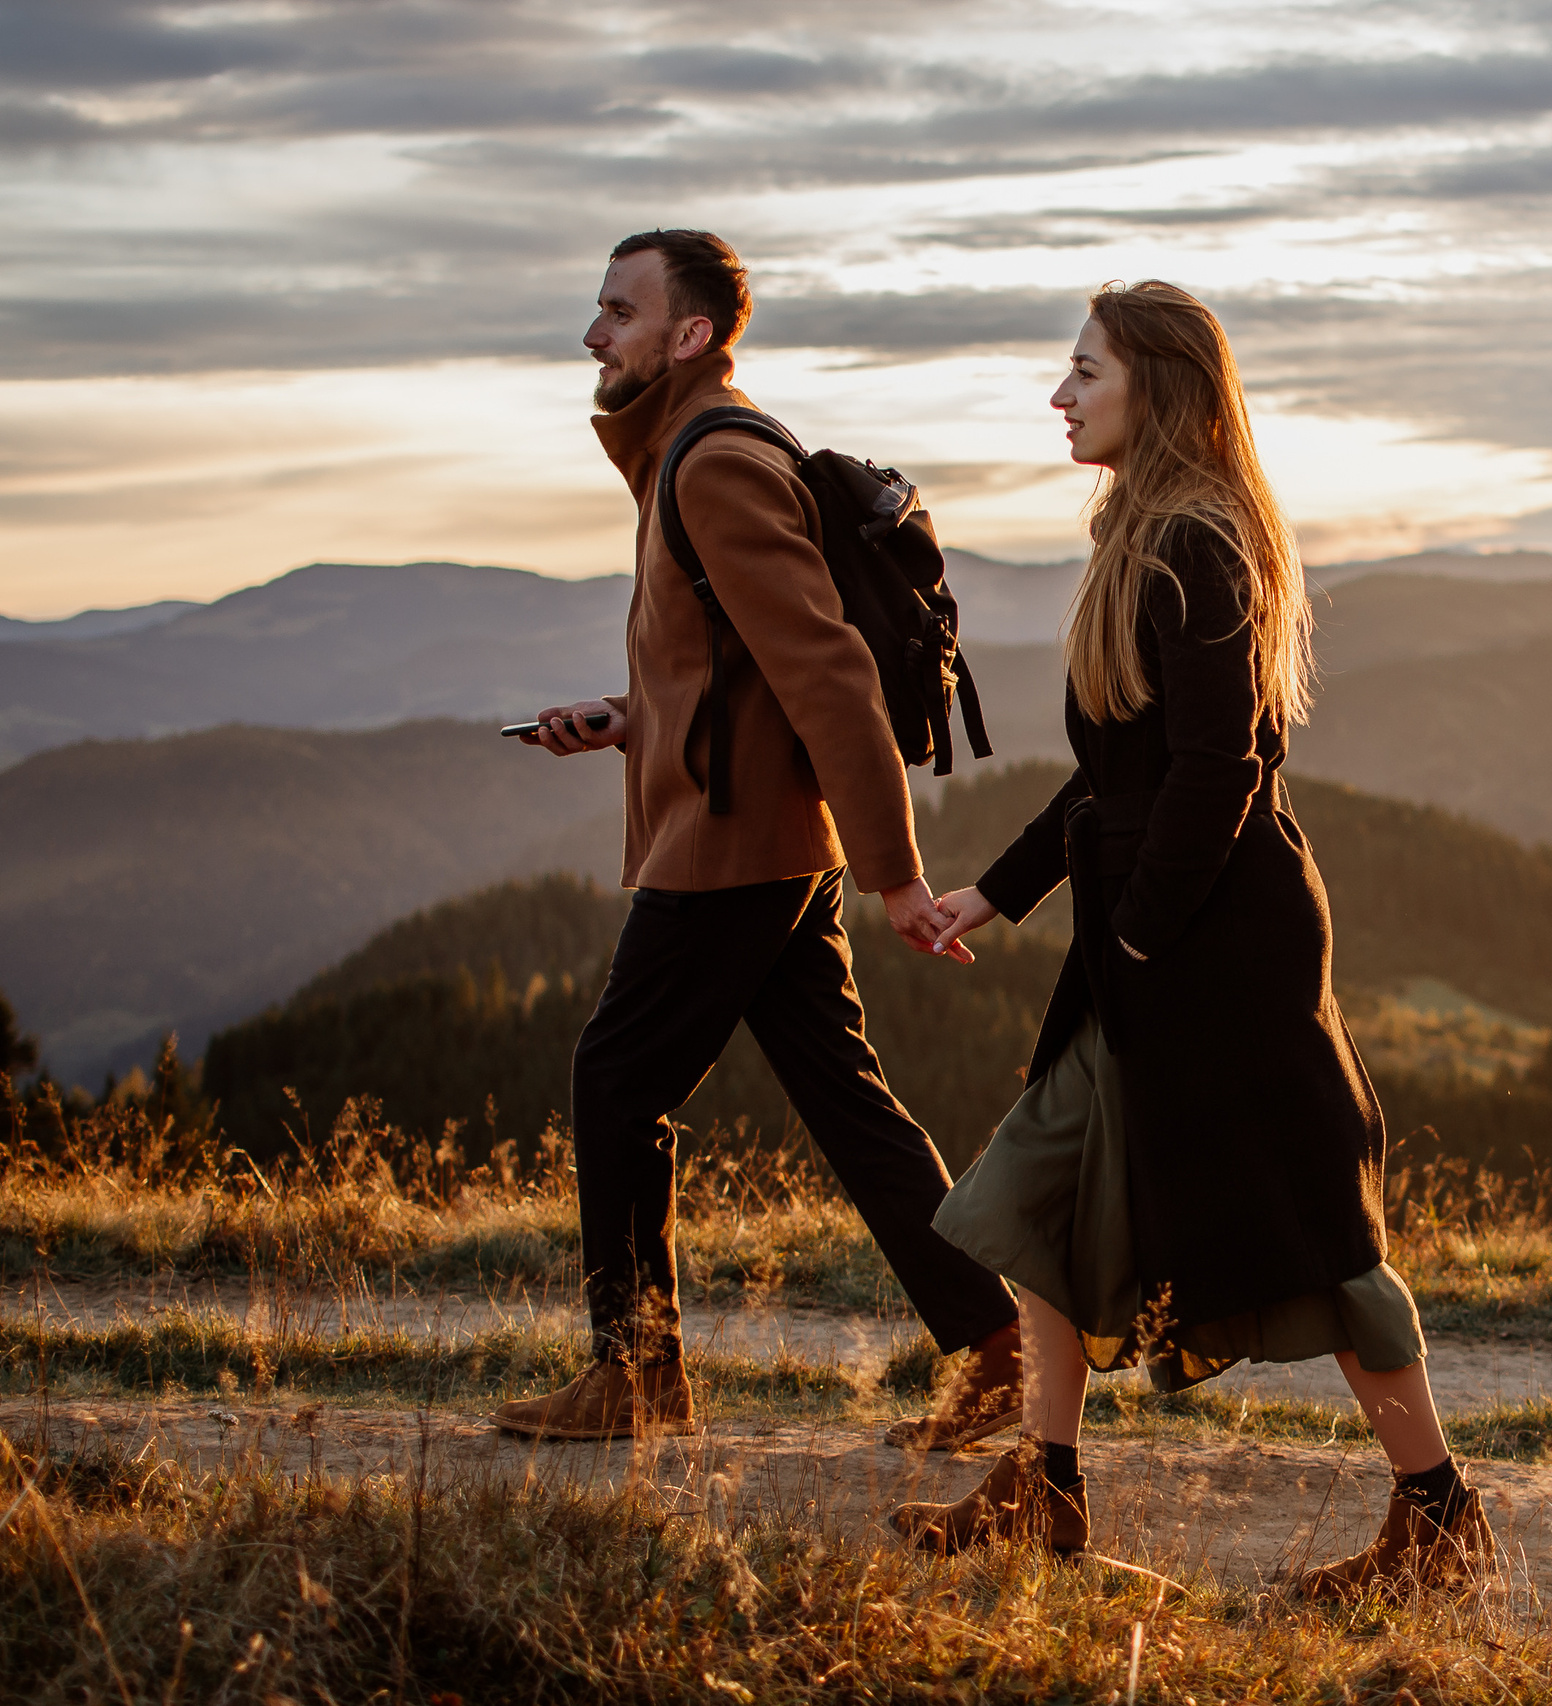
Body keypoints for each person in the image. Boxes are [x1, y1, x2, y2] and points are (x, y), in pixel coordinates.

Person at [890, 281, 1492, 1599]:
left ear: (1157, 388)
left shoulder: (1194, 545)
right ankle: (1046, 1488)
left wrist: (1143, 941)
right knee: (1037, 1196)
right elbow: (1118, 769)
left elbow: (1220, 767)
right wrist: (993, 894)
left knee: (1319, 1230)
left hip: (1218, 950)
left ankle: (1439, 1519)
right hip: (1148, 938)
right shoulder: (1143, 536)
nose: (1060, 395)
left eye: (1084, 371)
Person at [491, 229, 1023, 1447]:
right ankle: (998, 1345)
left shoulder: (714, 462)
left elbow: (827, 673)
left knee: (615, 1082)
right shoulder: (696, 450)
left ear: (690, 335)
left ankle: (637, 1372)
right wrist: (627, 719)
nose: (593, 334)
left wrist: (897, 874)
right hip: (769, 836)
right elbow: (734, 674)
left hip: (732, 849)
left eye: (619, 312)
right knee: (845, 1097)